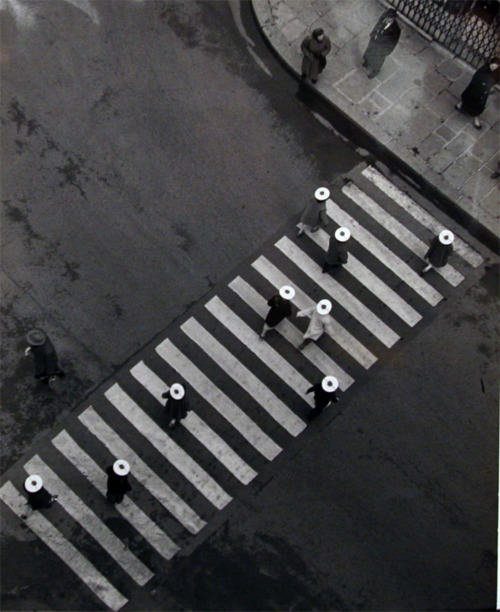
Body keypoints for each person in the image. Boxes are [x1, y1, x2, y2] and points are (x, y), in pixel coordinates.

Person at [455, 57, 499, 129]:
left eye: (495, 67)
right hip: (475, 88)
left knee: (478, 106)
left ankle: (476, 117)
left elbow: (495, 81)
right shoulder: (484, 69)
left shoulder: (496, 73)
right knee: (468, 97)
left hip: (482, 93)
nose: (493, 68)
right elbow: (477, 76)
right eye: (493, 66)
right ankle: (461, 104)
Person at [362, 9, 401, 79]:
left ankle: (375, 71)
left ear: (393, 19)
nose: (387, 19)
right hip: (375, 39)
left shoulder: (396, 29)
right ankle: (367, 62)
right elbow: (377, 25)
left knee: (378, 59)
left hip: (382, 46)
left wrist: (388, 51)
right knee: (370, 51)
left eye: (390, 18)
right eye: (387, 17)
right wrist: (373, 33)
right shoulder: (383, 18)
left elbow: (394, 42)